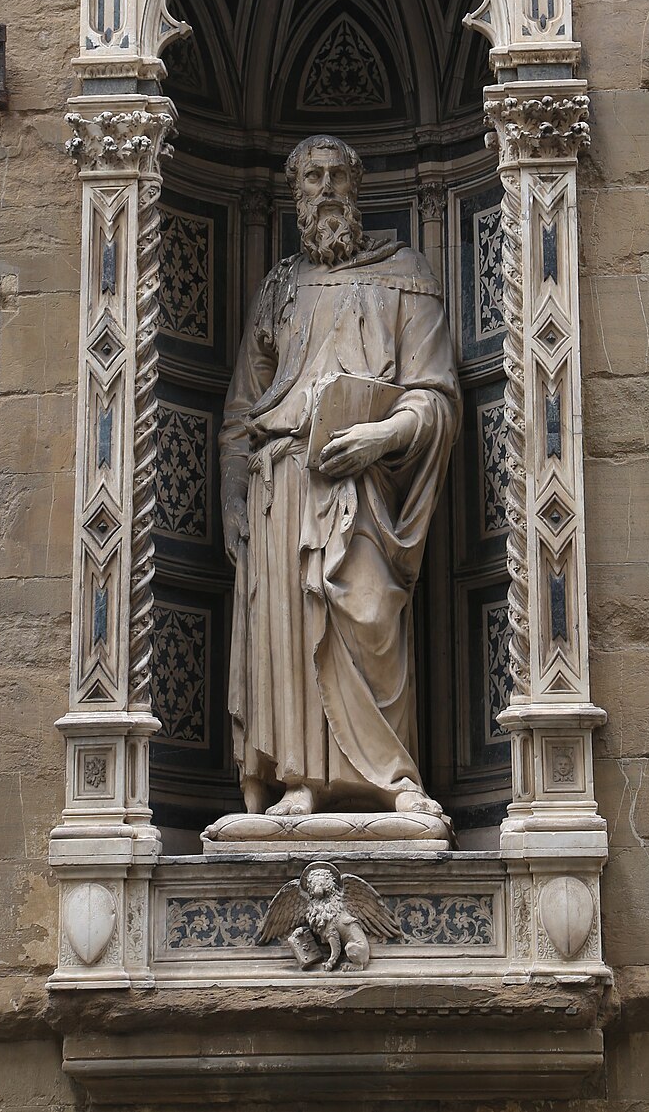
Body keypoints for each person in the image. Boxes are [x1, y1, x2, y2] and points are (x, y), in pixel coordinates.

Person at [219, 135, 461, 819]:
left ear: (358, 187)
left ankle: (390, 775)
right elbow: (243, 407)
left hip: (361, 490)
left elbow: (436, 395)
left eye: (336, 176)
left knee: (365, 618)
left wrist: (380, 435)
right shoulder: (279, 288)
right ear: (294, 195)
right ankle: (299, 776)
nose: (325, 190)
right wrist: (233, 497)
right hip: (281, 485)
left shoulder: (405, 276)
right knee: (290, 632)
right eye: (310, 179)